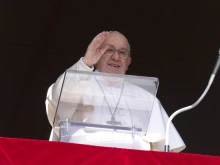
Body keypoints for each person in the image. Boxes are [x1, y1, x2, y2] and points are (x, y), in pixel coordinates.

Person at [45, 31, 185, 152]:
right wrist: (86, 62)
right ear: (97, 55)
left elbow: (166, 149)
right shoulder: (76, 84)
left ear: (128, 61)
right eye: (109, 50)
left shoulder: (146, 98)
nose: (116, 57)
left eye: (122, 52)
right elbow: (57, 103)